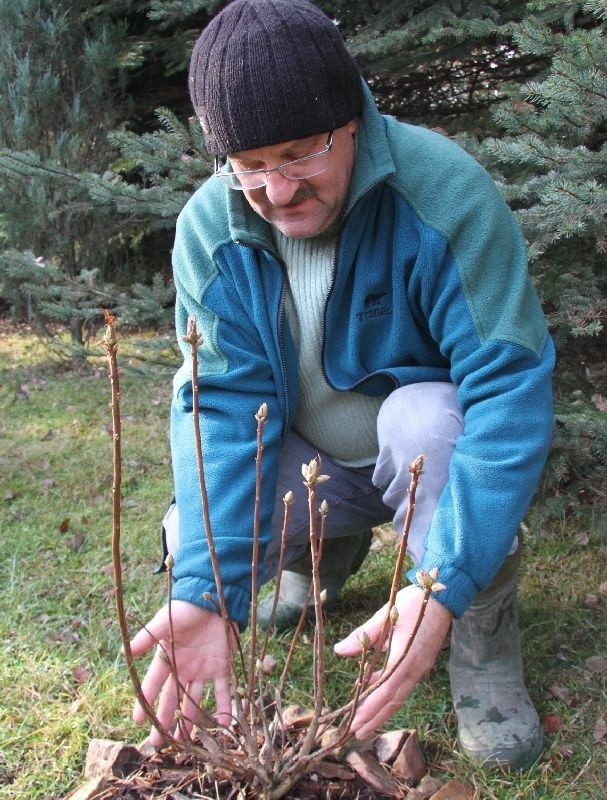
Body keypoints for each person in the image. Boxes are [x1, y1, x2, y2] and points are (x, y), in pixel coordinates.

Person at [129, 0, 555, 771]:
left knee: (428, 418)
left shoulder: (442, 192)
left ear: (352, 119)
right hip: (309, 467)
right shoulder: (210, 227)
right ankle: (315, 559)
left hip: (419, 457)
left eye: (299, 154)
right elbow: (221, 406)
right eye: (249, 164)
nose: (277, 190)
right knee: (188, 530)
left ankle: (476, 638)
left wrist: (442, 578)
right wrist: (208, 587)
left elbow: (506, 384)